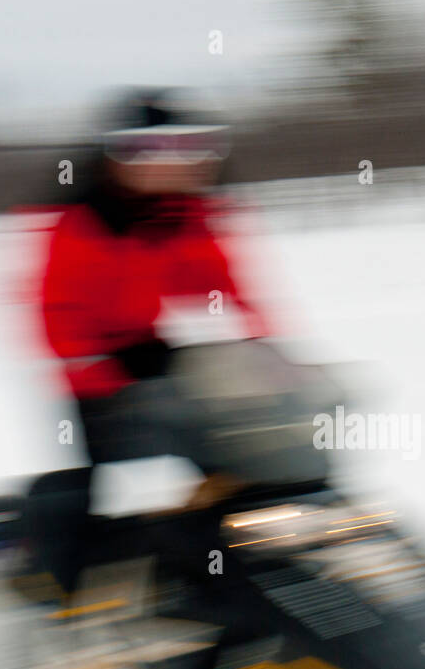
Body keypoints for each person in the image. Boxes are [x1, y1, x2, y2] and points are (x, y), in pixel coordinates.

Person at [26, 87, 272, 596]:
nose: (180, 163)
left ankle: (230, 573)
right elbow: (56, 314)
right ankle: (66, 586)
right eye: (155, 152)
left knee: (243, 463)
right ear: (118, 159)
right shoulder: (80, 223)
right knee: (121, 479)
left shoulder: (188, 215)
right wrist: (105, 368)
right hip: (96, 375)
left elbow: (228, 289)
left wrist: (269, 353)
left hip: (161, 356)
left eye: (192, 148)